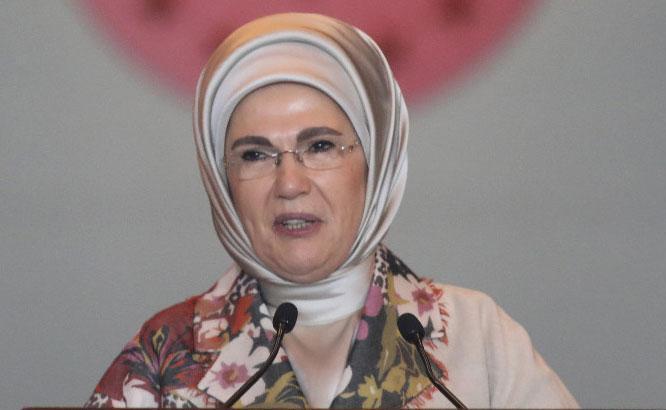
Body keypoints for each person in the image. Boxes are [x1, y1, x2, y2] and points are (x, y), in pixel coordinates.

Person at [85, 13, 578, 409]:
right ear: (222, 182)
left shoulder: (478, 337)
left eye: (320, 146)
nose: (289, 183)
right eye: (254, 155)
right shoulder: (165, 354)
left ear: (376, 164)